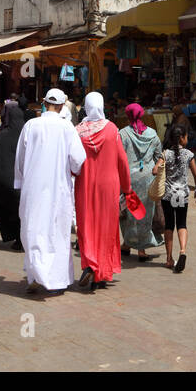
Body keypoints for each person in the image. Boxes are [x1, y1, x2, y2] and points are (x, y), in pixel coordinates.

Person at [14, 88, 87, 294]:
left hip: (33, 188)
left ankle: (35, 275)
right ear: (63, 106)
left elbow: (19, 159)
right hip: (59, 189)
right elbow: (78, 159)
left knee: (33, 230)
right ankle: (56, 278)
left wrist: (21, 183)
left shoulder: (31, 125)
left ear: (44, 102)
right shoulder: (67, 128)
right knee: (57, 232)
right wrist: (74, 171)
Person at [73, 92, 133, 291]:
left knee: (87, 225)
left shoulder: (77, 131)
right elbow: (122, 161)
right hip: (109, 186)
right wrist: (127, 188)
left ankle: (90, 263)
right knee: (106, 228)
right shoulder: (112, 129)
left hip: (85, 185)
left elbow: (72, 162)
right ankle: (102, 272)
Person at [120, 102, 164, 260]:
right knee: (145, 215)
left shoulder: (123, 134)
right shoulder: (152, 134)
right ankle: (139, 250)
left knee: (130, 214)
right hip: (147, 179)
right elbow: (160, 155)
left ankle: (128, 244)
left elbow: (118, 157)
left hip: (129, 180)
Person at [159, 120, 196, 272]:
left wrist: (161, 167)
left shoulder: (166, 154)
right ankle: (182, 251)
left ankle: (169, 259)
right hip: (182, 194)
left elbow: (155, 170)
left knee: (169, 225)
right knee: (182, 224)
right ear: (182, 138)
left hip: (168, 195)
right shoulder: (189, 154)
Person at [0, 101, 26, 248]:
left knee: (12, 210)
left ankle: (17, 239)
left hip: (8, 184)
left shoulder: (2, 136)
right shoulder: (27, 135)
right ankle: (24, 239)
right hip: (26, 184)